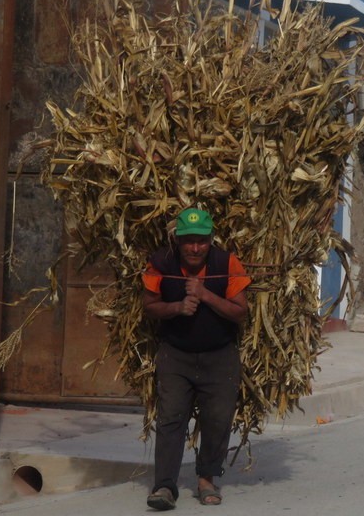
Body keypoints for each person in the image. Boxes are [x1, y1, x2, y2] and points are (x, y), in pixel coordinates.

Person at [142, 208, 251, 510]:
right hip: (176, 355)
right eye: (188, 240)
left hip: (220, 356)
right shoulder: (161, 262)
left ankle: (207, 479)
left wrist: (206, 295)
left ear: (210, 240)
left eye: (201, 241)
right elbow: (149, 306)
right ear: (177, 239)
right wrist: (176, 307)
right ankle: (164, 486)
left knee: (217, 419)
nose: (194, 248)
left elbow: (240, 312)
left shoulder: (227, 263)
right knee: (171, 418)